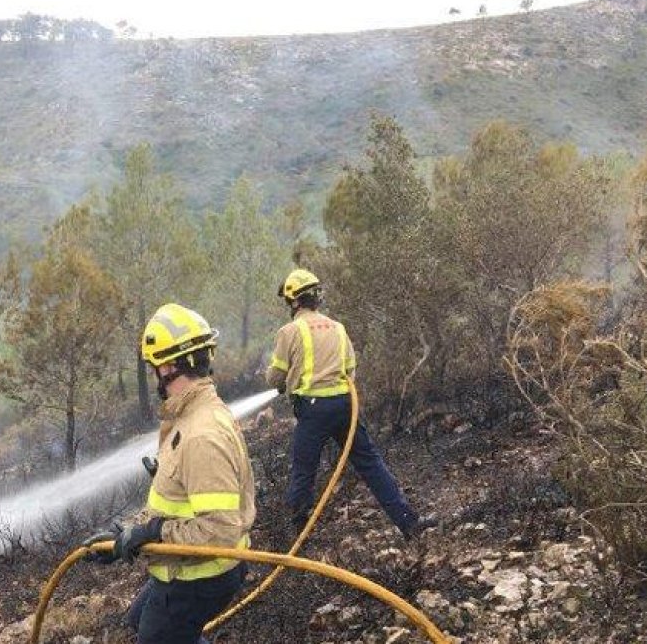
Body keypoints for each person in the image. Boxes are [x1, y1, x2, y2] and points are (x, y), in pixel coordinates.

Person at [84, 303, 255, 644]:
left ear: (168, 365)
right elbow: (177, 500)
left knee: (157, 637)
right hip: (188, 565)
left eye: (153, 367)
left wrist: (152, 533)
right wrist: (126, 534)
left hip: (202, 575)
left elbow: (219, 531)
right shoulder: (189, 417)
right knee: (140, 622)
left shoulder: (202, 435)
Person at [266, 269, 435, 539]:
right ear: (316, 297)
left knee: (303, 471)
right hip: (345, 406)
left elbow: (276, 376)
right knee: (370, 463)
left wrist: (276, 382)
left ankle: (297, 539)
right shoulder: (337, 327)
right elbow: (350, 368)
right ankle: (408, 523)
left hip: (313, 409)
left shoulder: (289, 331)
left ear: (293, 301)